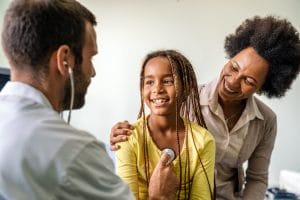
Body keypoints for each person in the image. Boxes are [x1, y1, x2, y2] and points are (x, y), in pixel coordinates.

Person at [0, 0, 178, 199]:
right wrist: (159, 196)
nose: (92, 72)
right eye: (90, 58)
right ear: (64, 59)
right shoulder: (75, 151)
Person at [110, 15, 300, 200]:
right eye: (234, 67)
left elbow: (257, 178)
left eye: (248, 80)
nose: (233, 82)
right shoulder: (184, 98)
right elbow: (150, 129)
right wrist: (120, 133)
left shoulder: (266, 121)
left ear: (263, 86)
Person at [115, 49, 215, 199]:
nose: (157, 89)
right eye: (149, 82)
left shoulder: (203, 140)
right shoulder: (128, 137)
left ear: (186, 88)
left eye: (168, 81)